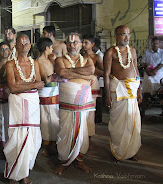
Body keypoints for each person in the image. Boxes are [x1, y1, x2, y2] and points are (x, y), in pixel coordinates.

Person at [4, 34, 44, 184]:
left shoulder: (36, 63)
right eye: (20, 44)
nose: (23, 46)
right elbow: (13, 87)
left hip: (32, 103)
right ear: (16, 46)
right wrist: (33, 85)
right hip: (17, 104)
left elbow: (40, 84)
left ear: (30, 46)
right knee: (17, 138)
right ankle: (14, 174)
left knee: (33, 139)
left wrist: (27, 86)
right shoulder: (10, 64)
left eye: (26, 43)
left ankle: (23, 173)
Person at [54, 33, 95, 175]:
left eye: (76, 42)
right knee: (66, 130)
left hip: (83, 101)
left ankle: (79, 160)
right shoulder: (59, 59)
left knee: (82, 130)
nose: (73, 45)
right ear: (66, 44)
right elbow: (61, 72)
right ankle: (63, 161)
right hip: (67, 102)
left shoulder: (88, 60)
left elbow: (91, 71)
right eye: (70, 43)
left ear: (81, 44)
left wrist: (70, 72)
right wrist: (84, 76)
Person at [104, 25, 142, 162]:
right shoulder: (111, 52)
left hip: (132, 90)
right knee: (118, 124)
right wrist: (107, 95)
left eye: (128, 34)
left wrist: (139, 90)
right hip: (118, 91)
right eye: (123, 34)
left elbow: (136, 70)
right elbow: (106, 74)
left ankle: (131, 151)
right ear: (116, 36)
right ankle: (118, 150)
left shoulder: (132, 50)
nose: (126, 37)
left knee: (133, 122)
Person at [36, 37, 60, 157]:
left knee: (54, 117)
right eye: (51, 47)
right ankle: (47, 144)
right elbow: (46, 79)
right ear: (46, 48)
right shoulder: (39, 61)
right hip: (46, 92)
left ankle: (54, 143)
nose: (52, 49)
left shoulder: (49, 60)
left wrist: (55, 62)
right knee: (45, 118)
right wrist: (57, 75)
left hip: (54, 91)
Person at [82, 34, 104, 148]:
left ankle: (89, 138)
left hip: (92, 84)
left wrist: (92, 69)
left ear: (92, 44)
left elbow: (104, 72)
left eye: (86, 43)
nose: (84, 45)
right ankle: (81, 136)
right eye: (83, 42)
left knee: (90, 112)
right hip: (82, 84)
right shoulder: (80, 56)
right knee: (82, 111)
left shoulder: (96, 57)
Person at [141, 36, 163, 116]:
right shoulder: (147, 52)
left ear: (159, 44)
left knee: (161, 91)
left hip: (159, 74)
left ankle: (162, 110)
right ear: (151, 44)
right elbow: (143, 63)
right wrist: (148, 71)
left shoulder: (162, 52)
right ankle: (143, 111)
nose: (155, 45)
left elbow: (161, 64)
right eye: (153, 44)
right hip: (148, 73)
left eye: (156, 44)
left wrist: (154, 71)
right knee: (146, 91)